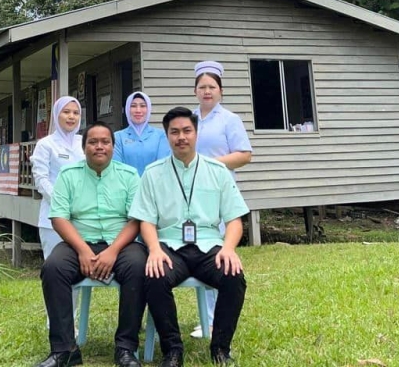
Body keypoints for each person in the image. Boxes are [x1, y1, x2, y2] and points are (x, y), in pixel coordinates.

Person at [130, 107, 249, 367]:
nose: (181, 137)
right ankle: (172, 350)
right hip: (169, 245)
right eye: (174, 132)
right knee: (154, 277)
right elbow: (146, 221)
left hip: (209, 245)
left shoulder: (217, 171)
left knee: (234, 279)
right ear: (167, 136)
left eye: (187, 131)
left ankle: (220, 347)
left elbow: (234, 221)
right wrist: (154, 249)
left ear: (196, 133)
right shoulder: (152, 173)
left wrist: (228, 249)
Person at [34, 121, 148, 367]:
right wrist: (83, 250)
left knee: (139, 267)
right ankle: (65, 350)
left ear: (112, 146)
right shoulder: (68, 174)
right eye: (93, 142)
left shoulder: (128, 176)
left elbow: (136, 219)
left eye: (105, 142)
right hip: (79, 241)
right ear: (84, 147)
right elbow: (59, 217)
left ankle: (126, 349)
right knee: (53, 268)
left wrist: (113, 251)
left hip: (121, 244)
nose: (99, 147)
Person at [191, 60, 253, 337]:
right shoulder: (190, 119)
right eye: (202, 87)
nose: (207, 92)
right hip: (192, 196)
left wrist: (212, 164)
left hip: (220, 193)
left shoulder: (230, 120)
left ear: (220, 91)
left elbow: (244, 154)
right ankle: (205, 318)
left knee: (218, 254)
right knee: (199, 251)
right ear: (195, 91)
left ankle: (218, 320)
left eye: (212, 87)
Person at [32, 96, 86, 331]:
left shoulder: (84, 142)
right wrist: (62, 203)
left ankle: (71, 322)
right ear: (56, 115)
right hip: (53, 218)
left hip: (83, 218)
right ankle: (55, 322)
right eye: (66, 112)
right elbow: (41, 179)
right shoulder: (45, 145)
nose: (71, 117)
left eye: (75, 112)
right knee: (56, 272)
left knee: (76, 271)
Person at [113, 91, 171, 175]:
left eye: (143, 106)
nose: (138, 110)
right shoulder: (117, 137)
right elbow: (117, 167)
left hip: (154, 185)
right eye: (133, 106)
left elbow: (163, 166)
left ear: (149, 109)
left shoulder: (161, 136)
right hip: (126, 186)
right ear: (127, 109)